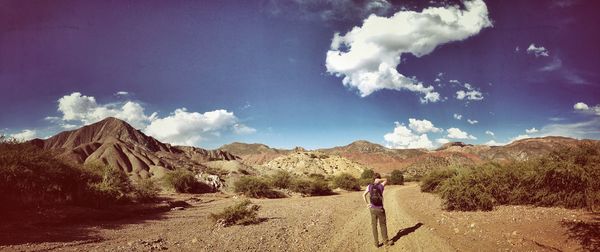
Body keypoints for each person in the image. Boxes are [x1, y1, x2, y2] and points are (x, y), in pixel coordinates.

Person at [362, 173, 393, 247]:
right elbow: (386, 180)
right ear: (378, 178)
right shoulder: (381, 185)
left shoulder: (369, 186)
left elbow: (363, 195)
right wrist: (380, 180)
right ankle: (386, 242)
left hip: (372, 208)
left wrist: (367, 204)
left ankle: (376, 243)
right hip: (380, 209)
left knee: (374, 226)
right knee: (383, 225)